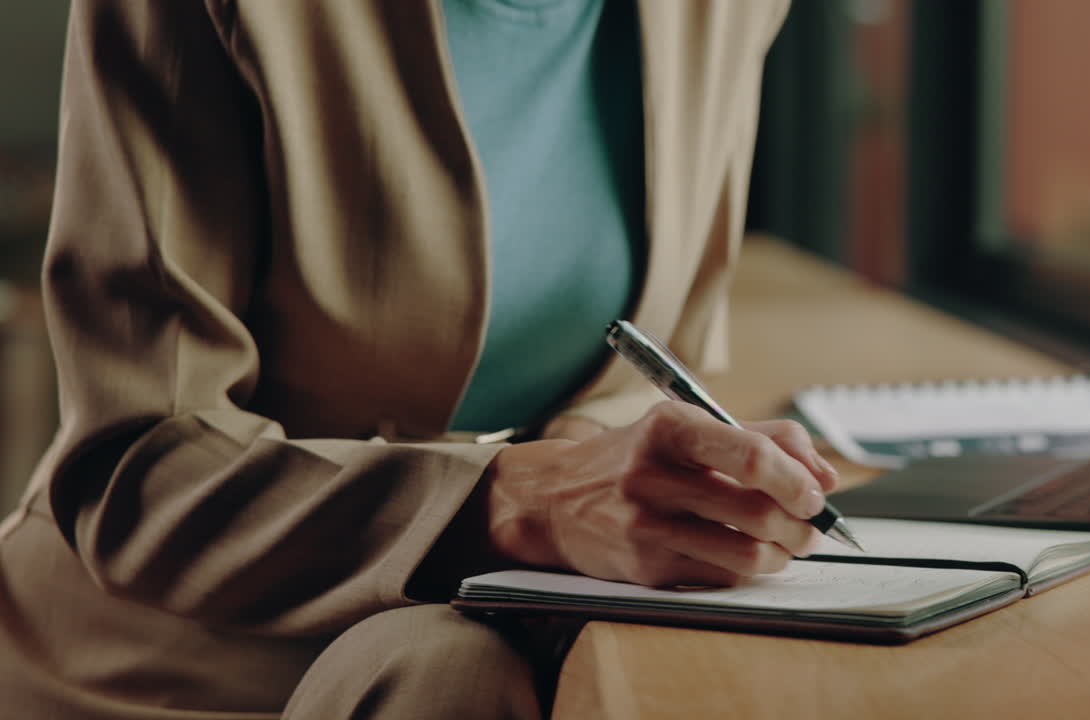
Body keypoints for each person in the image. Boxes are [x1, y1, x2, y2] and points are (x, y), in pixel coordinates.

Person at [0, 0, 837, 718]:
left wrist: (643, 473)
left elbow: (653, 363)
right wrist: (520, 502)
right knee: (461, 674)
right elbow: (140, 471)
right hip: (179, 640)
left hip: (517, 605)